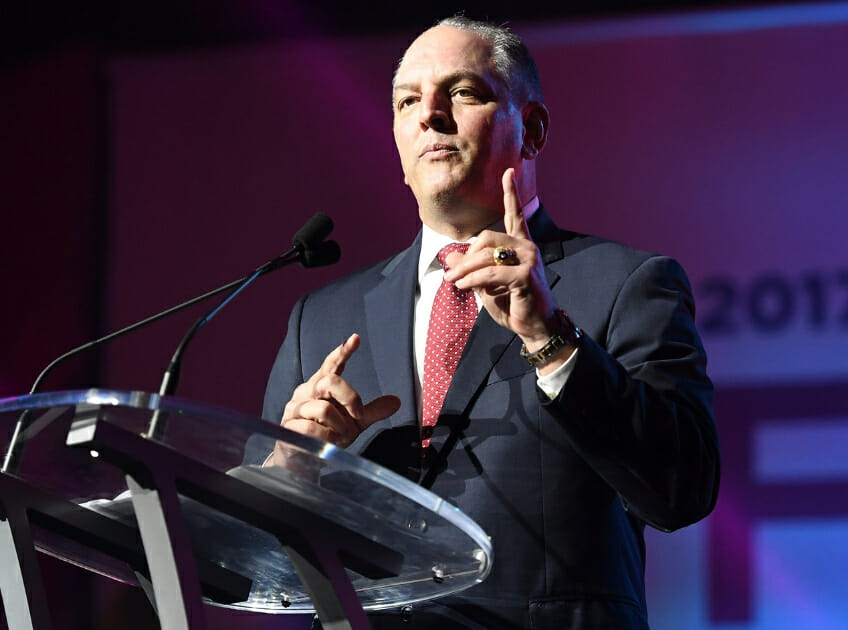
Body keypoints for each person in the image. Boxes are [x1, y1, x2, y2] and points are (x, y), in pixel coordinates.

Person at [261, 15, 719, 629]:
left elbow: (681, 488)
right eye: (407, 102)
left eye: (463, 92)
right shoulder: (321, 318)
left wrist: (549, 339)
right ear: (398, 145)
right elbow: (260, 558)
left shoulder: (625, 285)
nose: (430, 115)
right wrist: (292, 471)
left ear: (531, 130)